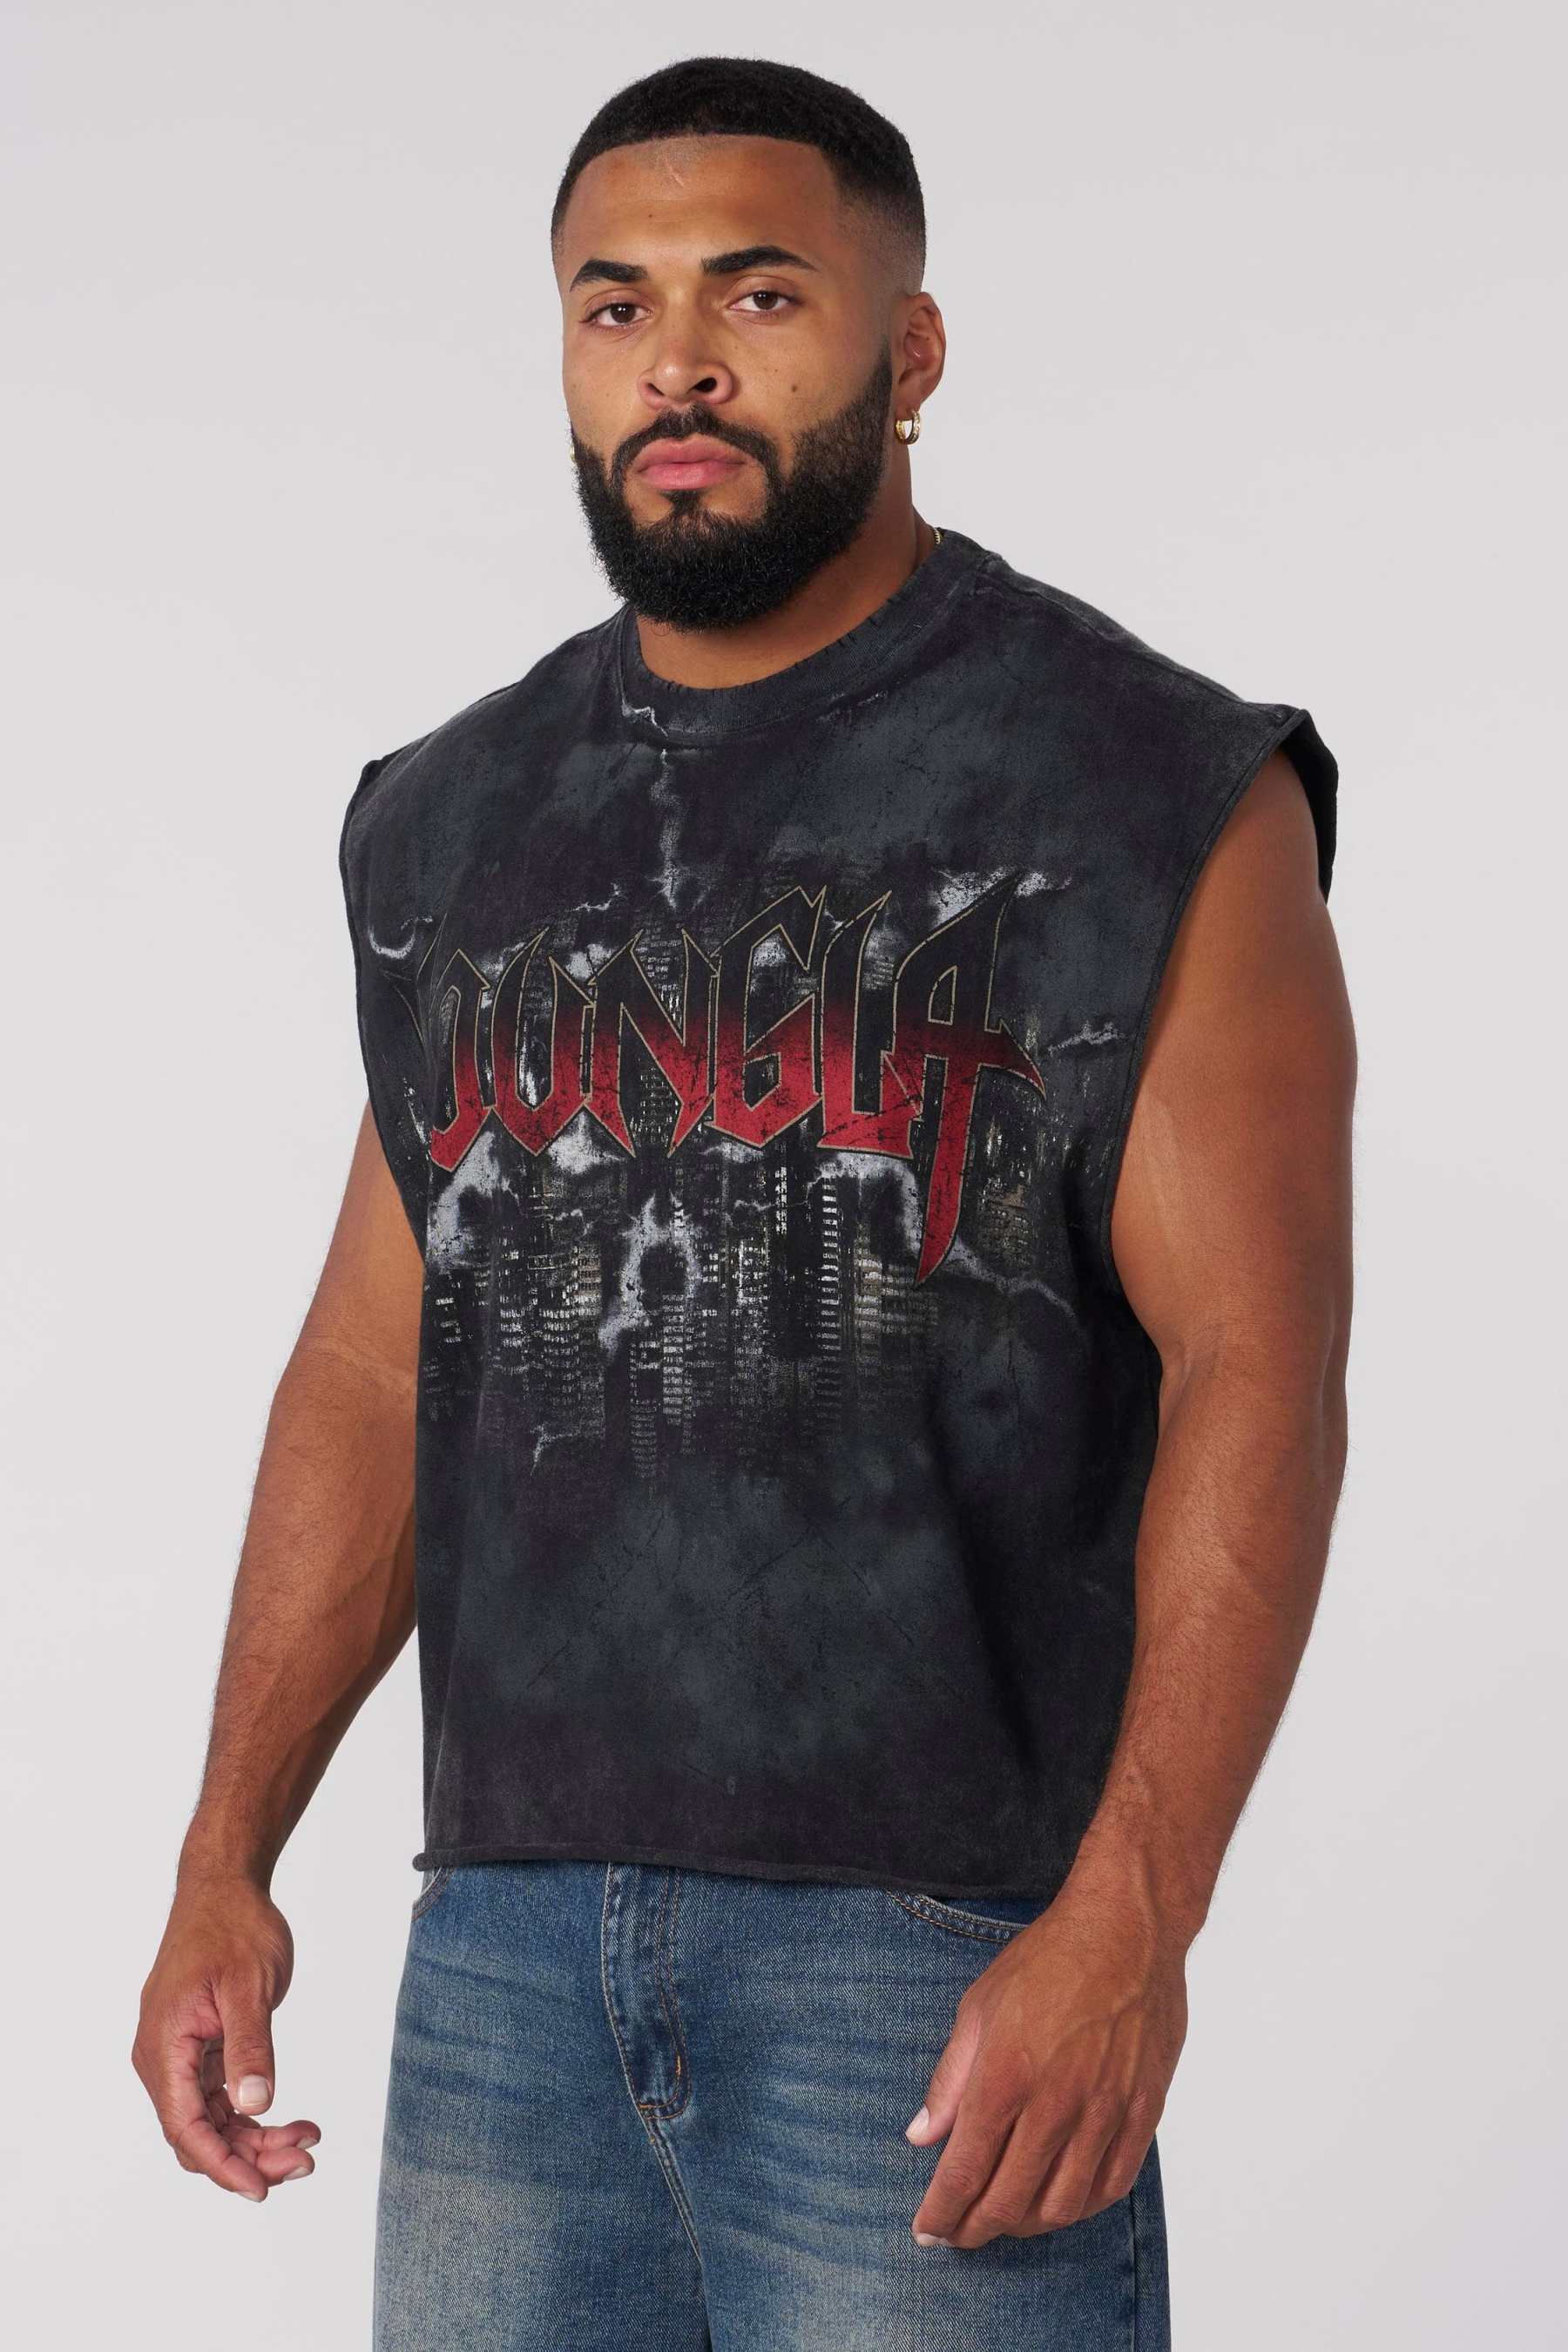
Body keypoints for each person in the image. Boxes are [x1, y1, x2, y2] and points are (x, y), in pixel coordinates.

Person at [132, 53, 1355, 2351]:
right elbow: (375, 1366)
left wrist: (1135, 1918)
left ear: (911, 351)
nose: (676, 361)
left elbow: (1258, 1369)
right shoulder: (454, 815)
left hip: (934, 1952)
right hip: (503, 1960)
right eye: (615, 305)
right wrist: (226, 1855)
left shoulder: (1145, 785)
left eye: (758, 294)